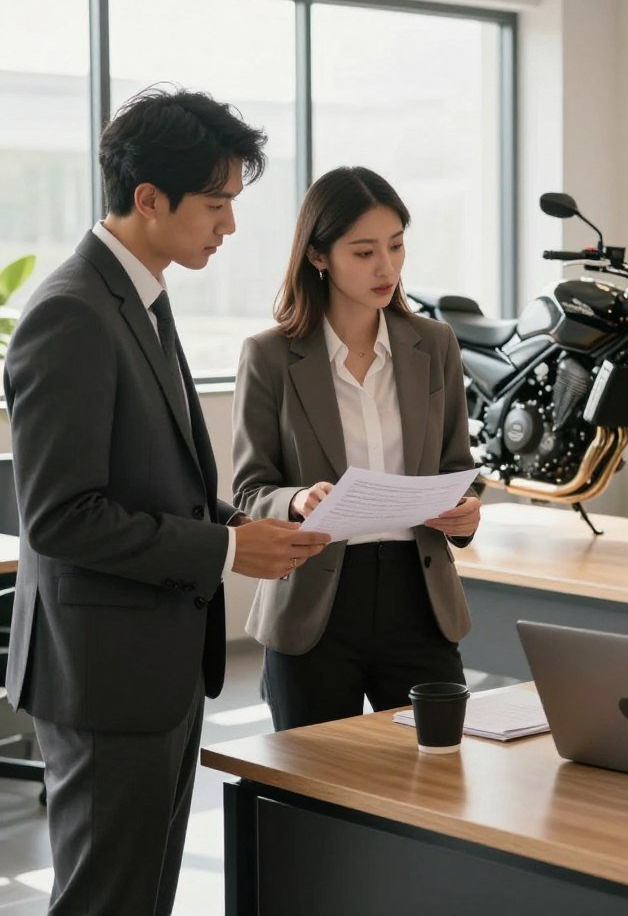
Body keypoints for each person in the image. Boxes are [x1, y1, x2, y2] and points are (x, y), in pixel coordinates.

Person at [2, 87, 331, 916]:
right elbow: (59, 516)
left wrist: (250, 525)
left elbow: (161, 484)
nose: (228, 226)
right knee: (107, 899)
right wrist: (226, 554)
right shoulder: (73, 314)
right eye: (216, 204)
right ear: (149, 200)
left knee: (141, 895)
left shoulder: (140, 296)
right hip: (105, 675)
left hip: (154, 662)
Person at [232, 165, 480, 731]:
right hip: (315, 600)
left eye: (395, 246)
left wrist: (466, 512)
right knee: (312, 792)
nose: (386, 267)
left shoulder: (435, 344)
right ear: (319, 257)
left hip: (418, 596)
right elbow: (249, 489)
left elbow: (457, 467)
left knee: (437, 782)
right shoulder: (270, 357)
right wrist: (296, 501)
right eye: (364, 251)